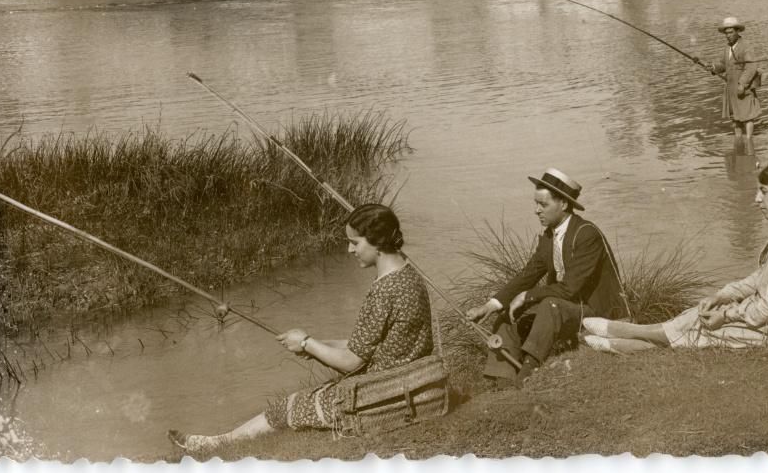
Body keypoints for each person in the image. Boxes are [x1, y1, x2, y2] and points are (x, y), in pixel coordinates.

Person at [169, 204, 435, 452]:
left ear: (377, 242)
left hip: (378, 391)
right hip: (406, 379)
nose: (349, 251)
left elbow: (351, 363)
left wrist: (307, 342)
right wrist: (316, 345)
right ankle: (220, 441)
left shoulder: (383, 291)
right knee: (304, 397)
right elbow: (370, 343)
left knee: (286, 408)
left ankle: (216, 444)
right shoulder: (409, 275)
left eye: (354, 243)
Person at [580, 161, 768, 352]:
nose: (756, 199)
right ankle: (616, 341)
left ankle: (622, 333)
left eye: (764, 191)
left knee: (705, 327)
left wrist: (726, 316)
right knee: (698, 319)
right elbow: (761, 279)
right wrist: (722, 296)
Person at [465, 169, 628, 385]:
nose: (536, 210)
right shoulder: (550, 236)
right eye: (535, 204)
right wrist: (489, 306)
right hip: (567, 307)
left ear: (564, 205)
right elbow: (528, 275)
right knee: (507, 314)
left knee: (550, 306)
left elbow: (569, 289)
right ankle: (502, 381)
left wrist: (526, 296)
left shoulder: (587, 234)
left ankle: (527, 374)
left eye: (543, 204)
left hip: (596, 310)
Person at [694, 17, 762, 151]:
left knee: (747, 117)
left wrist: (742, 84)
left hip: (744, 88)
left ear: (737, 31)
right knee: (736, 118)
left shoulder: (746, 47)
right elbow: (723, 65)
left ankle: (749, 144)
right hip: (731, 88)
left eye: (730, 32)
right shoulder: (727, 48)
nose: (728, 35)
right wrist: (712, 67)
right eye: (726, 33)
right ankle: (739, 142)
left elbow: (751, 66)